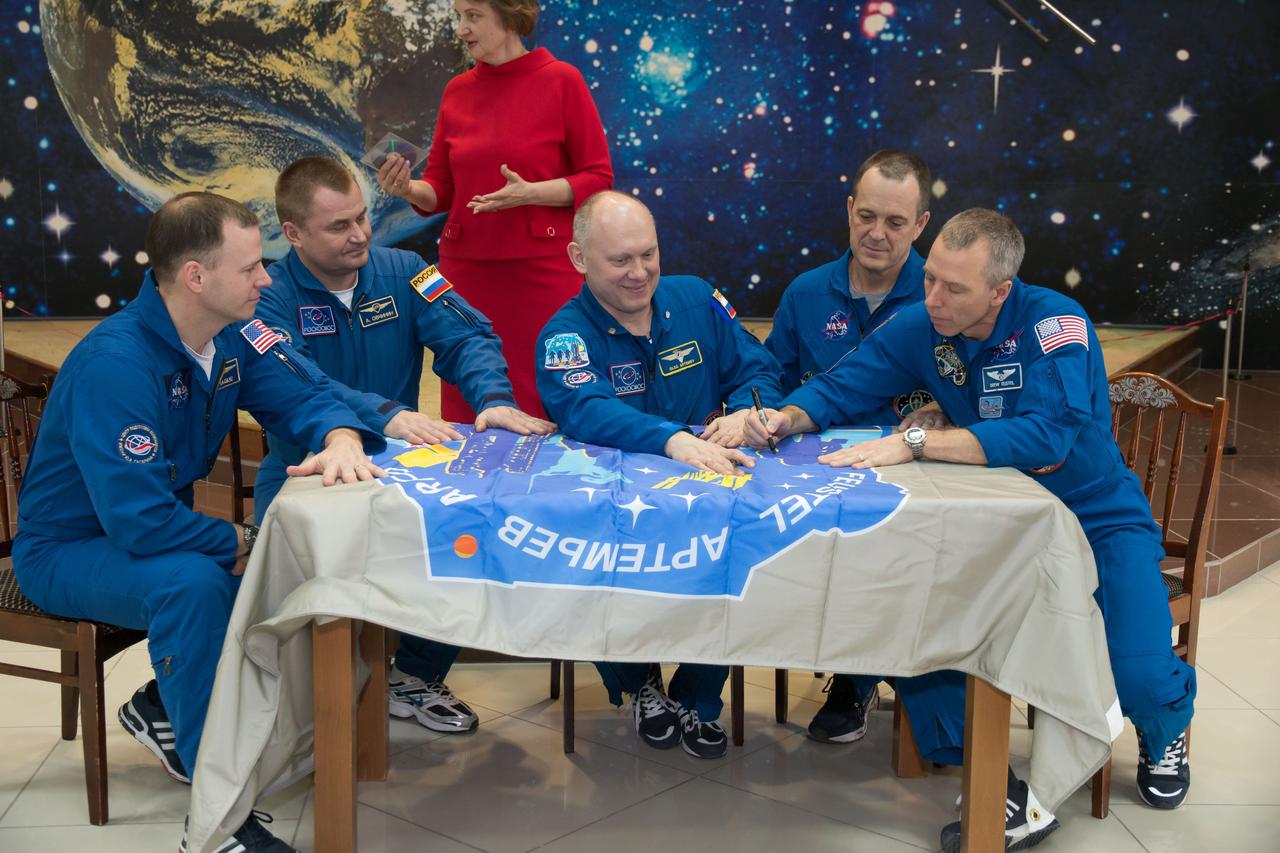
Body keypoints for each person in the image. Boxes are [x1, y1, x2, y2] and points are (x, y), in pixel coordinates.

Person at [744, 208, 1196, 851]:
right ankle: (999, 786)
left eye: (954, 288)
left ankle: (1166, 727)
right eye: (930, 280)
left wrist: (923, 441)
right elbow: (847, 383)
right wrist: (787, 418)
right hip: (991, 518)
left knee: (1141, 675)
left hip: (1095, 515)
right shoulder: (924, 322)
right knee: (915, 624)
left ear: (1000, 290)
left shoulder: (1055, 324)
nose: (933, 298)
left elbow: (1048, 436)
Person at [12, 192, 388, 853]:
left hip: (150, 535)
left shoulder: (229, 338)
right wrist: (237, 540)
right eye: (250, 268)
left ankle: (164, 704)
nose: (267, 279)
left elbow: (303, 395)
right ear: (196, 277)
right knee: (193, 582)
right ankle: (216, 822)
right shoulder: (117, 364)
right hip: (66, 552)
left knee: (279, 568)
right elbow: (138, 522)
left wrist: (338, 435)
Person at [255, 156, 555, 734]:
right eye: (338, 226)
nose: (361, 234)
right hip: (303, 471)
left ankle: (413, 676)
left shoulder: (407, 270)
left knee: (467, 539)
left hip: (402, 469)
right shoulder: (268, 295)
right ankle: (300, 695)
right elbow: (295, 378)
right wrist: (386, 414)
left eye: (362, 217)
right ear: (292, 233)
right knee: (280, 598)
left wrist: (490, 396)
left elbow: (467, 333)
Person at [535, 191, 784, 759]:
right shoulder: (564, 335)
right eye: (620, 260)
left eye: (648, 255)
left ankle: (697, 699)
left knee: (736, 556)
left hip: (708, 496)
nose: (639, 272)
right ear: (578, 259)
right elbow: (585, 409)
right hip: (613, 510)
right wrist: (672, 438)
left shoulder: (696, 300)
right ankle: (639, 683)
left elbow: (758, 368)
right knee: (588, 555)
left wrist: (752, 412)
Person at [762, 148, 949, 746]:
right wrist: (767, 410)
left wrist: (944, 410)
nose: (877, 233)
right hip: (820, 469)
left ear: (921, 226)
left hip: (917, 470)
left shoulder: (943, 298)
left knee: (907, 560)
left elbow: (975, 384)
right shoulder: (806, 293)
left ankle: (880, 677)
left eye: (896, 223)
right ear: (848, 210)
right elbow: (771, 378)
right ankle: (857, 666)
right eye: (866, 215)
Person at [378, 0, 612, 422]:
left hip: (543, 273)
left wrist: (530, 194)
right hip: (467, 273)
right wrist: (408, 187)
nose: (461, 28)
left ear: (508, 17)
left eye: (473, 16)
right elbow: (442, 191)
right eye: (457, 16)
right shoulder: (457, 91)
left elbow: (597, 177)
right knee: (471, 395)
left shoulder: (562, 81)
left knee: (551, 395)